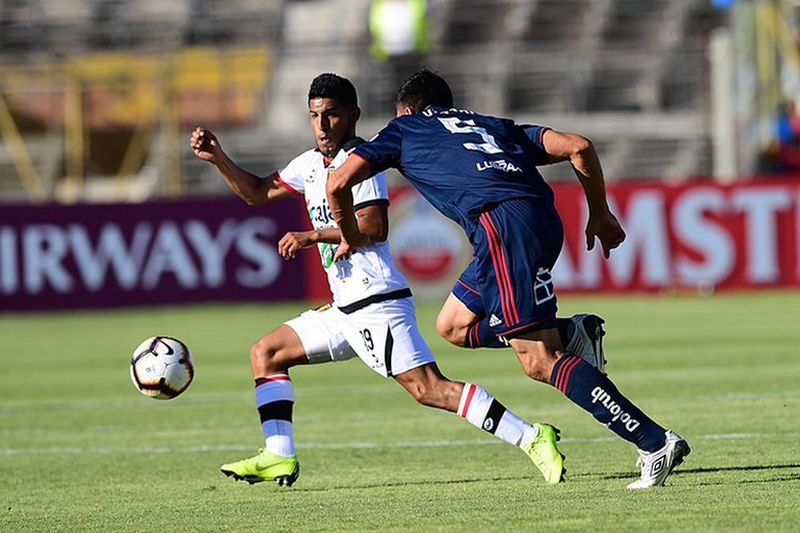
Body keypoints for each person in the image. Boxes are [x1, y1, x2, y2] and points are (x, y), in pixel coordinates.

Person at [190, 73, 574, 487]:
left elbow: (373, 227)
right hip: (344, 307)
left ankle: (532, 436)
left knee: (429, 390)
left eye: (332, 115)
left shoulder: (364, 160)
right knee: (266, 353)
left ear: (352, 115)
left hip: (376, 302)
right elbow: (258, 194)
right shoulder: (307, 164)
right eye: (315, 116)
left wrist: (312, 235)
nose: (322, 125)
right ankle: (280, 455)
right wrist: (219, 158)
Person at [326, 70, 691, 489]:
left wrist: (351, 237)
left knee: (540, 360)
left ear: (408, 109)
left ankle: (652, 441)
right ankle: (570, 333)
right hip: (540, 221)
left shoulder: (405, 128)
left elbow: (338, 183)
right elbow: (579, 147)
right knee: (453, 326)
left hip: (500, 226)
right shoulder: (493, 125)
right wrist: (601, 213)